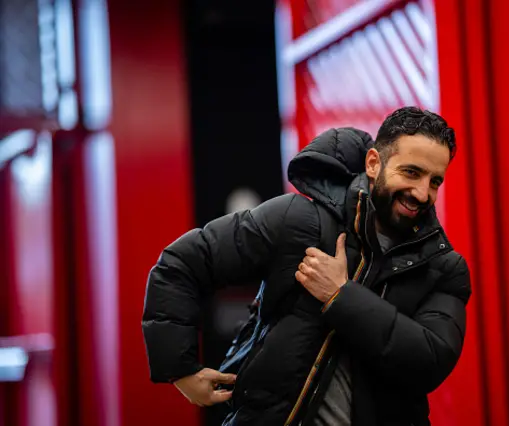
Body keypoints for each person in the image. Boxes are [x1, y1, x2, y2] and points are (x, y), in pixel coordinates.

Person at [142, 106, 472, 426]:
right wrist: (180, 369)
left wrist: (340, 296)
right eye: (411, 172)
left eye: (435, 181)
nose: (421, 192)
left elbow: (429, 362)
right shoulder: (299, 222)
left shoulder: (444, 267)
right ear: (374, 163)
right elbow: (182, 263)